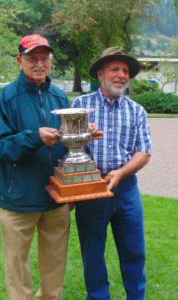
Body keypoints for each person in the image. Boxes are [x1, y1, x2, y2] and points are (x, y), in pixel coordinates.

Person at [0, 34, 70, 300]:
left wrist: (82, 134)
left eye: (44, 58)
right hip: (18, 198)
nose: (39, 64)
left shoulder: (59, 96)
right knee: (17, 264)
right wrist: (34, 137)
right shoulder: (8, 96)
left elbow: (69, 146)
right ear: (20, 60)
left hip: (56, 198)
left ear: (51, 62)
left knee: (55, 263)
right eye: (32, 58)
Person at [71, 47, 152, 300]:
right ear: (101, 74)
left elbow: (144, 152)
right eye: (115, 69)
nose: (121, 75)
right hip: (91, 190)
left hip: (127, 190)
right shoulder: (80, 105)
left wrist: (121, 173)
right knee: (93, 252)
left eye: (125, 71)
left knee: (134, 251)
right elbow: (70, 149)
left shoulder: (136, 110)